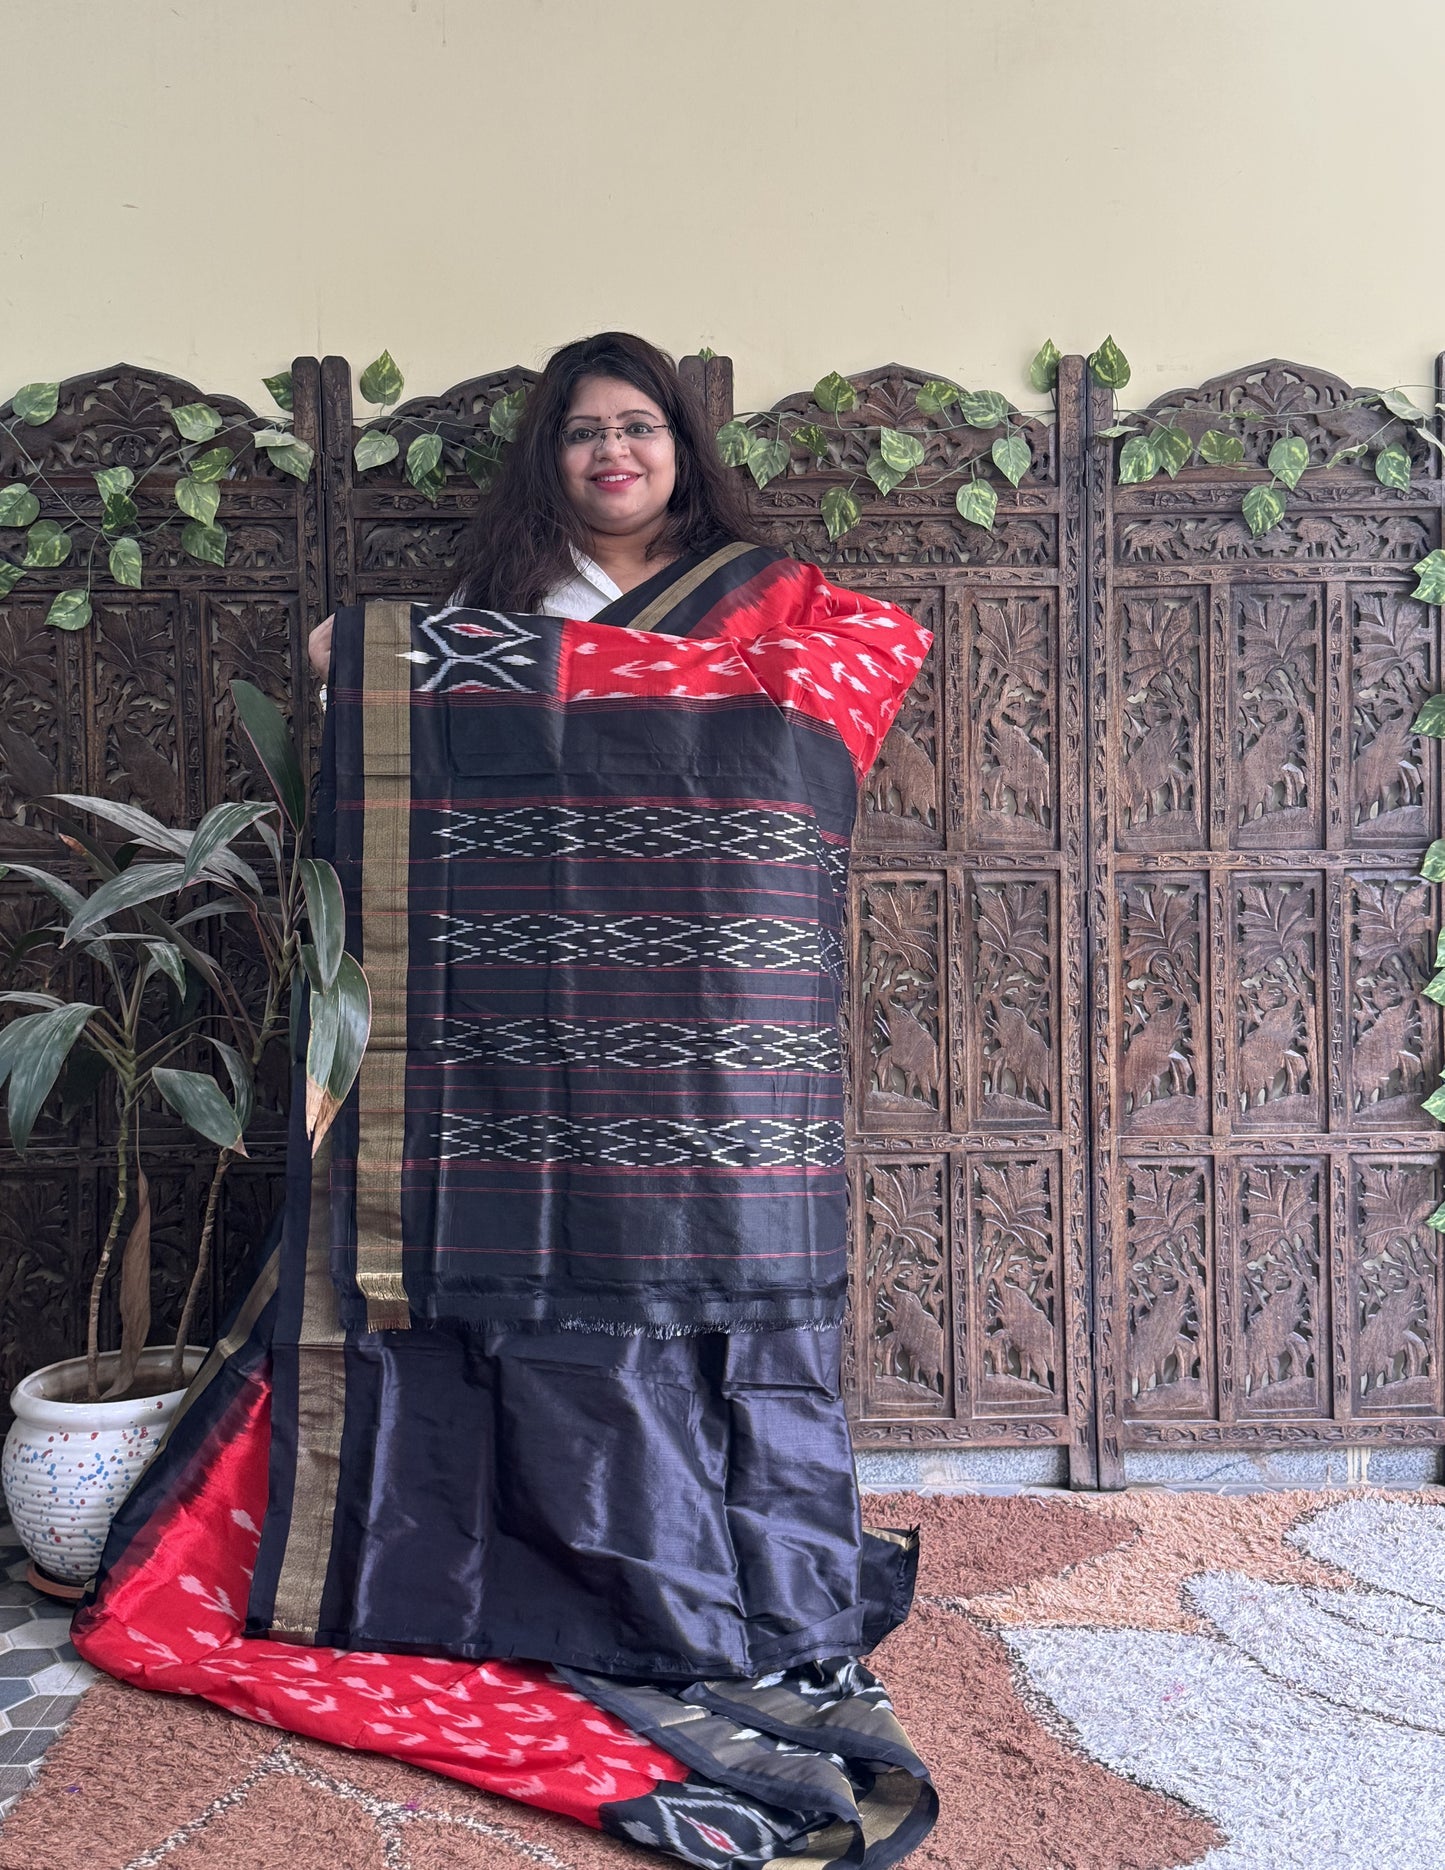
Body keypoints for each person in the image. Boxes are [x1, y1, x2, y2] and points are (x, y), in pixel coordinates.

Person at [73, 334, 937, 1868]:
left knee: (705, 1295)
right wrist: (545, 668)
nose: (613, 455)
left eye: (638, 428)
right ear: (548, 459)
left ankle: (711, 1571)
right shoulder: (498, 615)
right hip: (513, 1042)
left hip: (711, 1040)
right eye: (583, 434)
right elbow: (349, 659)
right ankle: (533, 1570)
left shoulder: (771, 600)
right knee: (520, 1301)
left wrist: (629, 687)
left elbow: (848, 691)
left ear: (682, 444)